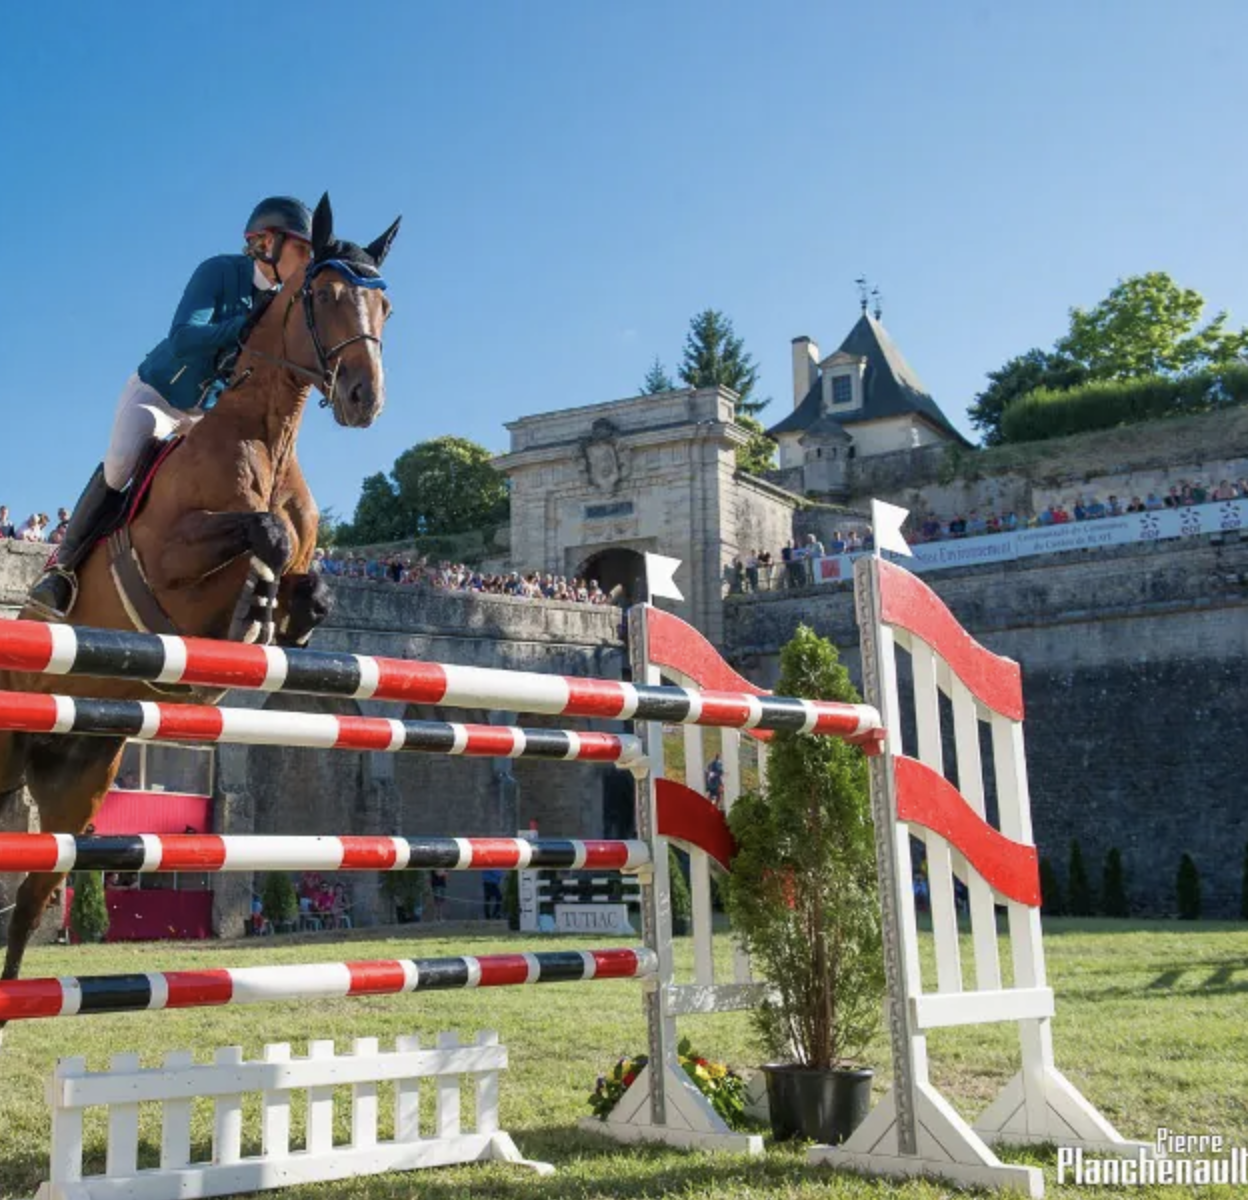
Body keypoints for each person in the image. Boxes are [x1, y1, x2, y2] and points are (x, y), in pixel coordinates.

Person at [28, 196, 315, 618]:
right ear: (267, 243)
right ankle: (63, 568)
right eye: (302, 250)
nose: (307, 261)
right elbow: (184, 337)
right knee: (122, 462)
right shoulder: (219, 271)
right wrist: (244, 326)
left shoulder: (278, 304)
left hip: (206, 416)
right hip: (158, 395)